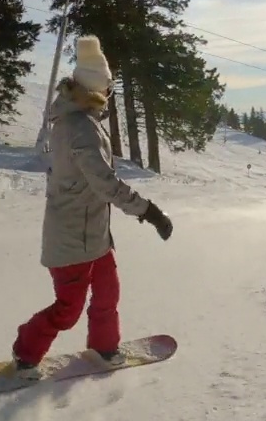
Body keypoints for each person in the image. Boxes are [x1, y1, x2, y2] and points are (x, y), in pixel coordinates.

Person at [11, 34, 172, 378]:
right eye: (108, 88)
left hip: (94, 234)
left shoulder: (81, 120)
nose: (109, 95)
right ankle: (25, 352)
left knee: (107, 293)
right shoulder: (78, 127)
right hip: (71, 237)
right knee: (68, 310)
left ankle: (104, 346)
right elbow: (104, 183)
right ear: (95, 89)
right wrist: (149, 211)